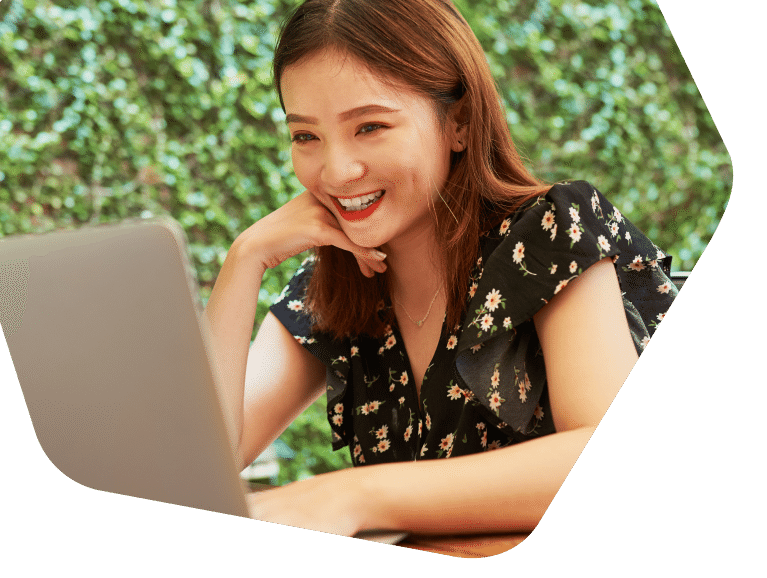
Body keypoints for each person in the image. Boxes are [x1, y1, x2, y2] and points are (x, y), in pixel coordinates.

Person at [205, 0, 677, 538]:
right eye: (305, 136)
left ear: (459, 122)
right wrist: (245, 257)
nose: (336, 171)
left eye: (371, 126)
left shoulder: (552, 230)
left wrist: (351, 495)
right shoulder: (330, 284)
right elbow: (199, 465)